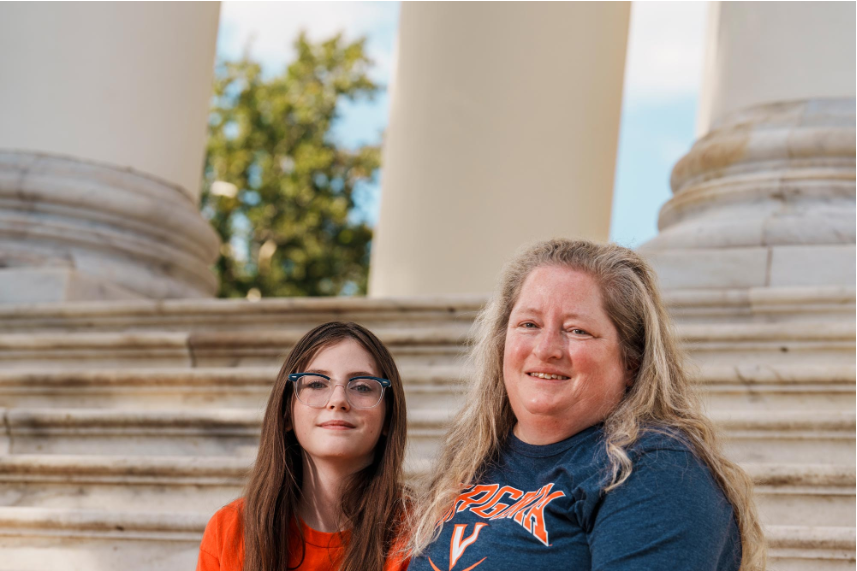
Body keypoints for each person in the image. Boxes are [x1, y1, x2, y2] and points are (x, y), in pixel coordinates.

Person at [407, 239, 765, 571]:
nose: (546, 349)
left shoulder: (656, 470)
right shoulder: (473, 459)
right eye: (529, 324)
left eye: (577, 330)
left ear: (631, 362)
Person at [197, 321, 410, 571]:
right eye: (317, 384)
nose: (338, 400)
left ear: (388, 417)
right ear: (287, 413)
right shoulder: (230, 530)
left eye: (362, 386)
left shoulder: (419, 533)